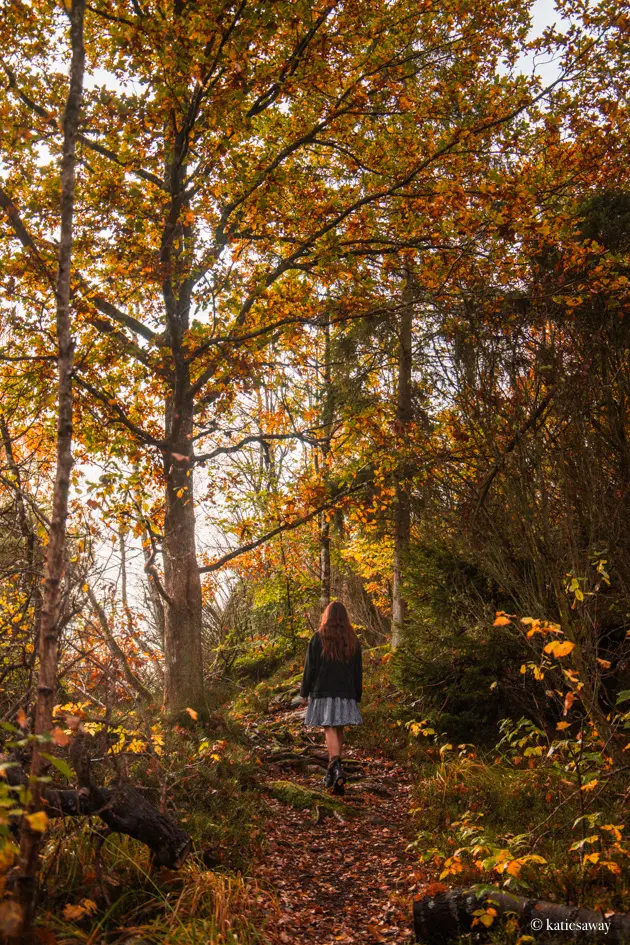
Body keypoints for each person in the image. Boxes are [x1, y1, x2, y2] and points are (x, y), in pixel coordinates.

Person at [300, 600, 363, 795]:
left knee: (328, 726)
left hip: (324, 690)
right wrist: (356, 694)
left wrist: (305, 691)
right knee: (339, 727)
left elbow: (310, 667)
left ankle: (336, 767)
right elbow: (357, 670)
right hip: (345, 691)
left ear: (327, 616)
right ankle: (333, 774)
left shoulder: (319, 637)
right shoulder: (352, 639)